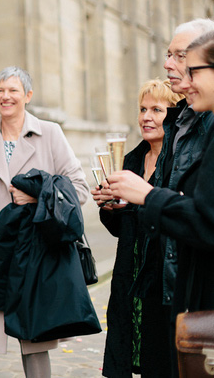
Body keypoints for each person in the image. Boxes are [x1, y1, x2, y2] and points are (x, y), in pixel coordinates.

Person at [0, 66, 89, 377]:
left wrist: (36, 197)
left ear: (28, 95)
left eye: (13, 90)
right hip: (3, 245)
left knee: (35, 333)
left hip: (39, 247)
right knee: (17, 325)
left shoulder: (49, 133)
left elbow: (78, 188)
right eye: (0, 90)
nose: (5, 97)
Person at [108, 29, 214, 367]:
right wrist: (117, 206)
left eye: (188, 64)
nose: (178, 74)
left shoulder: (200, 127)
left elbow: (203, 218)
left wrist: (148, 196)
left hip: (182, 281)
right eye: (142, 109)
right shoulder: (140, 154)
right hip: (152, 277)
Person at [92, 79, 182, 377]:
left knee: (159, 359)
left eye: (157, 109)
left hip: (162, 277)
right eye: (142, 109)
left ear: (174, 114)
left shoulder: (179, 162)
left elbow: (178, 216)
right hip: (128, 276)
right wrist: (108, 206)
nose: (146, 117)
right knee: (127, 351)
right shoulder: (130, 159)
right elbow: (121, 228)